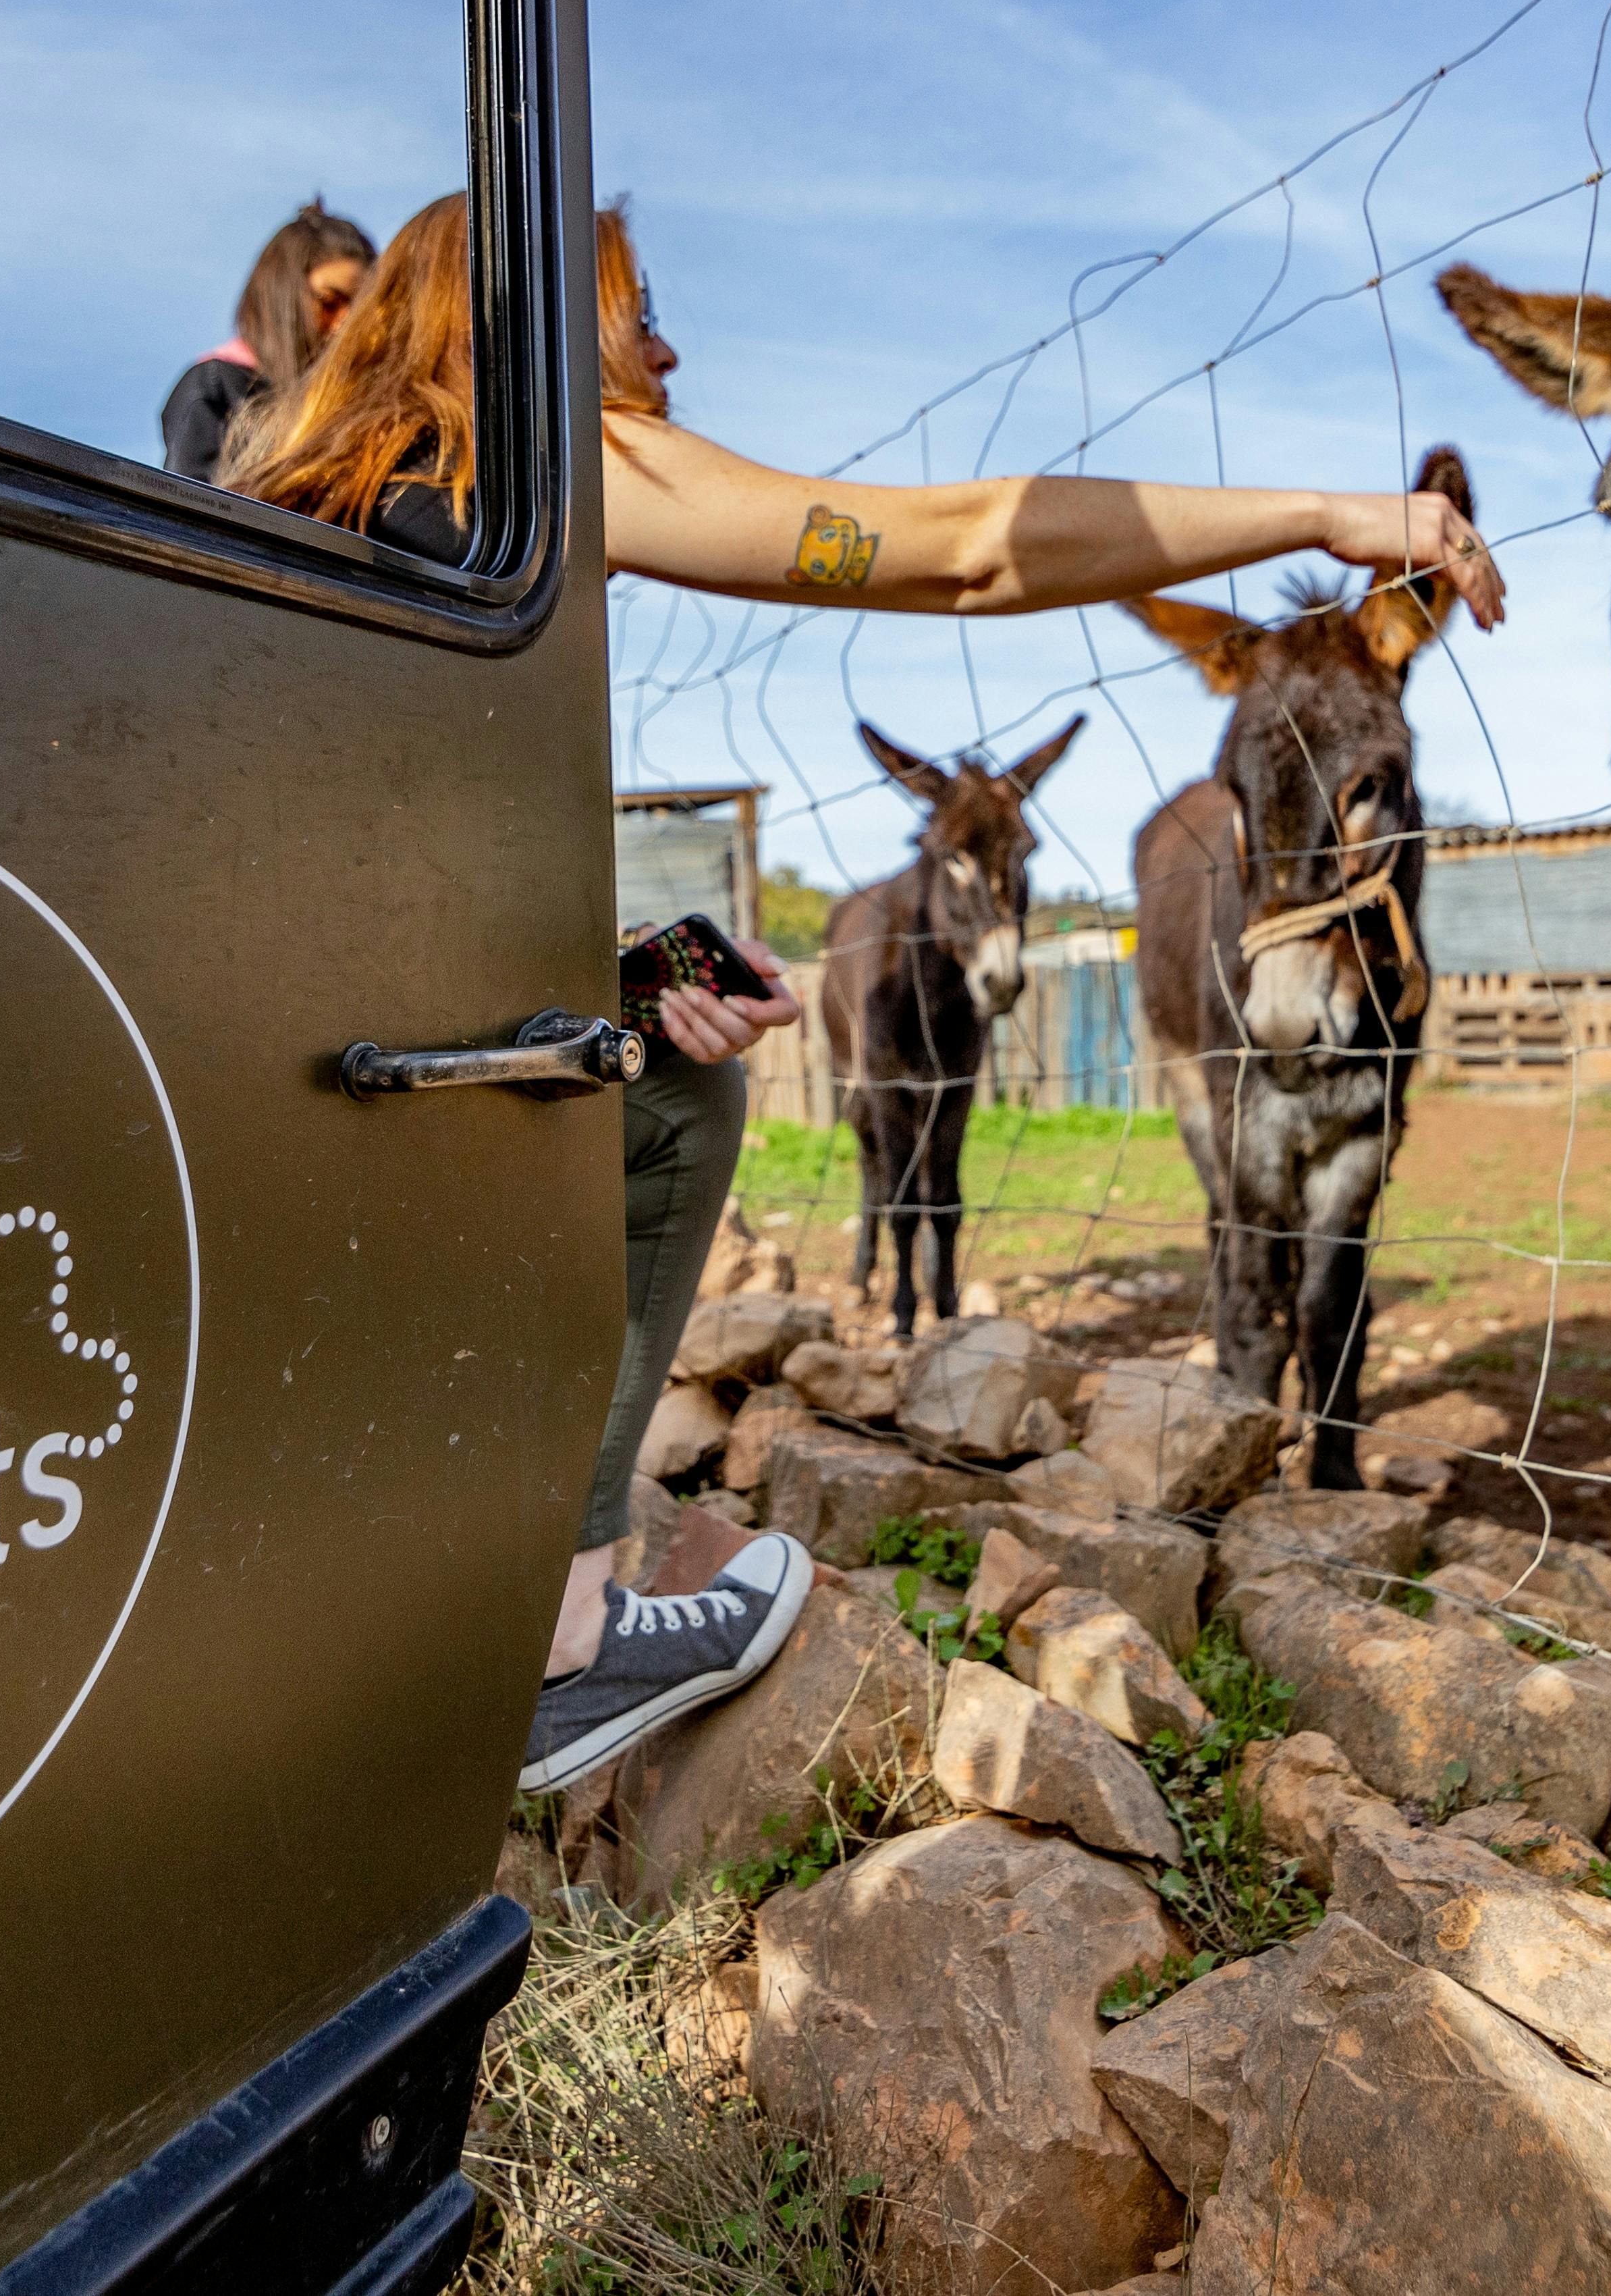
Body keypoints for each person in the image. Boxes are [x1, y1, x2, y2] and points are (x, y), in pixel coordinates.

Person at [226, 193, 1505, 1792]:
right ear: (519, 336)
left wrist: (590, 975)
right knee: (682, 1100)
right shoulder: (531, 453)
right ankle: (561, 1638)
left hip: (228, 1037)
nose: (670, 350)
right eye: (635, 318)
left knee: (629, 1046)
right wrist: (1331, 514)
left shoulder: (331, 508)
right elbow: (960, 550)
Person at [157, 200, 375, 482]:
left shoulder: (356, 403)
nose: (345, 324)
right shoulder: (217, 387)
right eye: (330, 302)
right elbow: (187, 508)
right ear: (282, 297)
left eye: (360, 311)